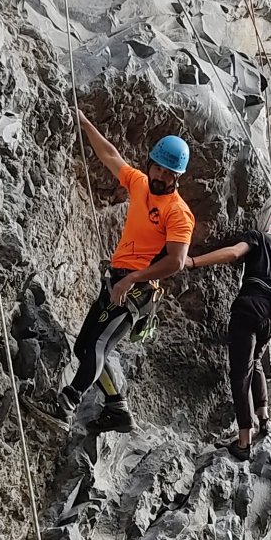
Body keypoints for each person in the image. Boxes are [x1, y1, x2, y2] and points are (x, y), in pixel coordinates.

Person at [55, 111, 195, 433]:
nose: (160, 176)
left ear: (177, 178)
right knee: (83, 347)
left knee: (98, 346)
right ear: (150, 164)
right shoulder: (140, 184)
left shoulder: (178, 213)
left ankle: (67, 404)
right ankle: (117, 409)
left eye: (168, 173)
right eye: (157, 168)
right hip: (119, 279)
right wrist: (85, 123)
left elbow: (176, 261)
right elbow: (111, 156)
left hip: (137, 289)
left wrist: (132, 278)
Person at [186, 220, 271, 460]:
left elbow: (234, 253)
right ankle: (264, 419)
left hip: (249, 309)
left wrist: (194, 261)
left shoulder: (260, 237)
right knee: (255, 362)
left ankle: (244, 440)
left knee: (240, 373)